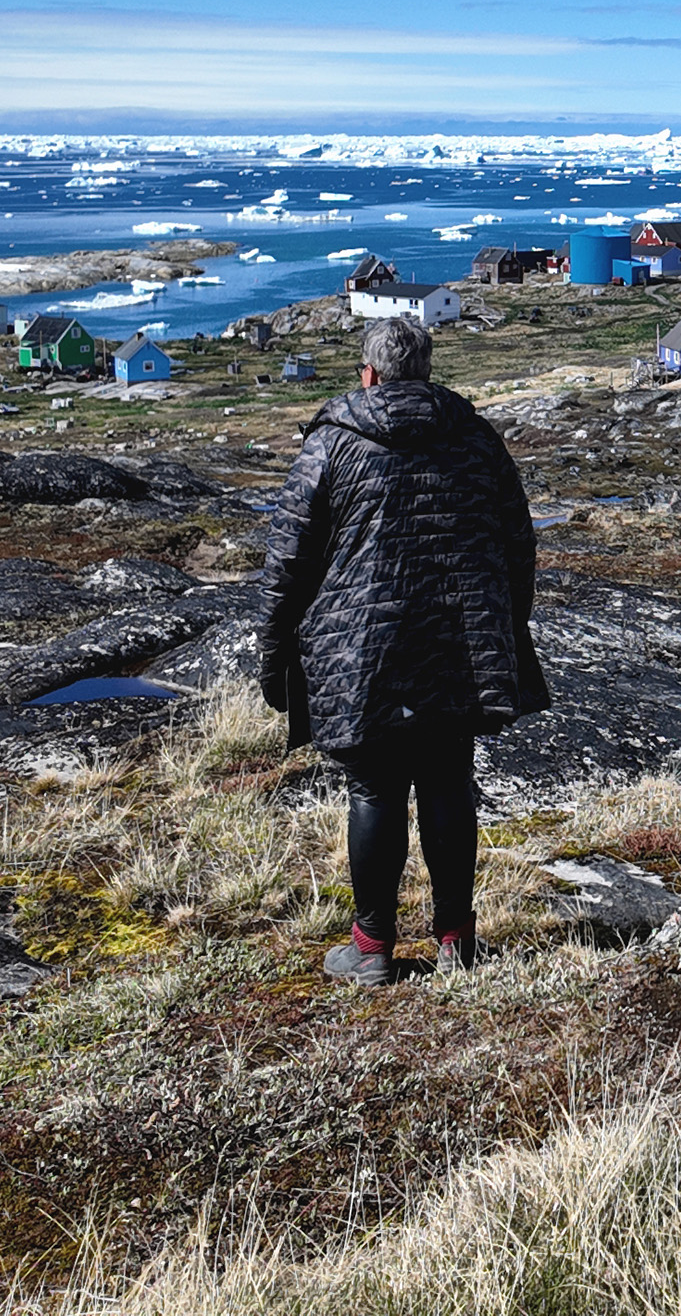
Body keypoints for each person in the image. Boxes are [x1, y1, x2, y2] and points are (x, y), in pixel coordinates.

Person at [258, 315, 548, 983]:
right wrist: (504, 627)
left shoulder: (331, 444)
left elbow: (287, 563)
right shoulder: (475, 438)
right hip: (461, 642)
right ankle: (455, 940)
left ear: (368, 374)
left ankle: (371, 950)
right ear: (425, 371)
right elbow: (518, 544)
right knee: (448, 779)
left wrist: (273, 654)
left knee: (375, 788)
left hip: (364, 650)